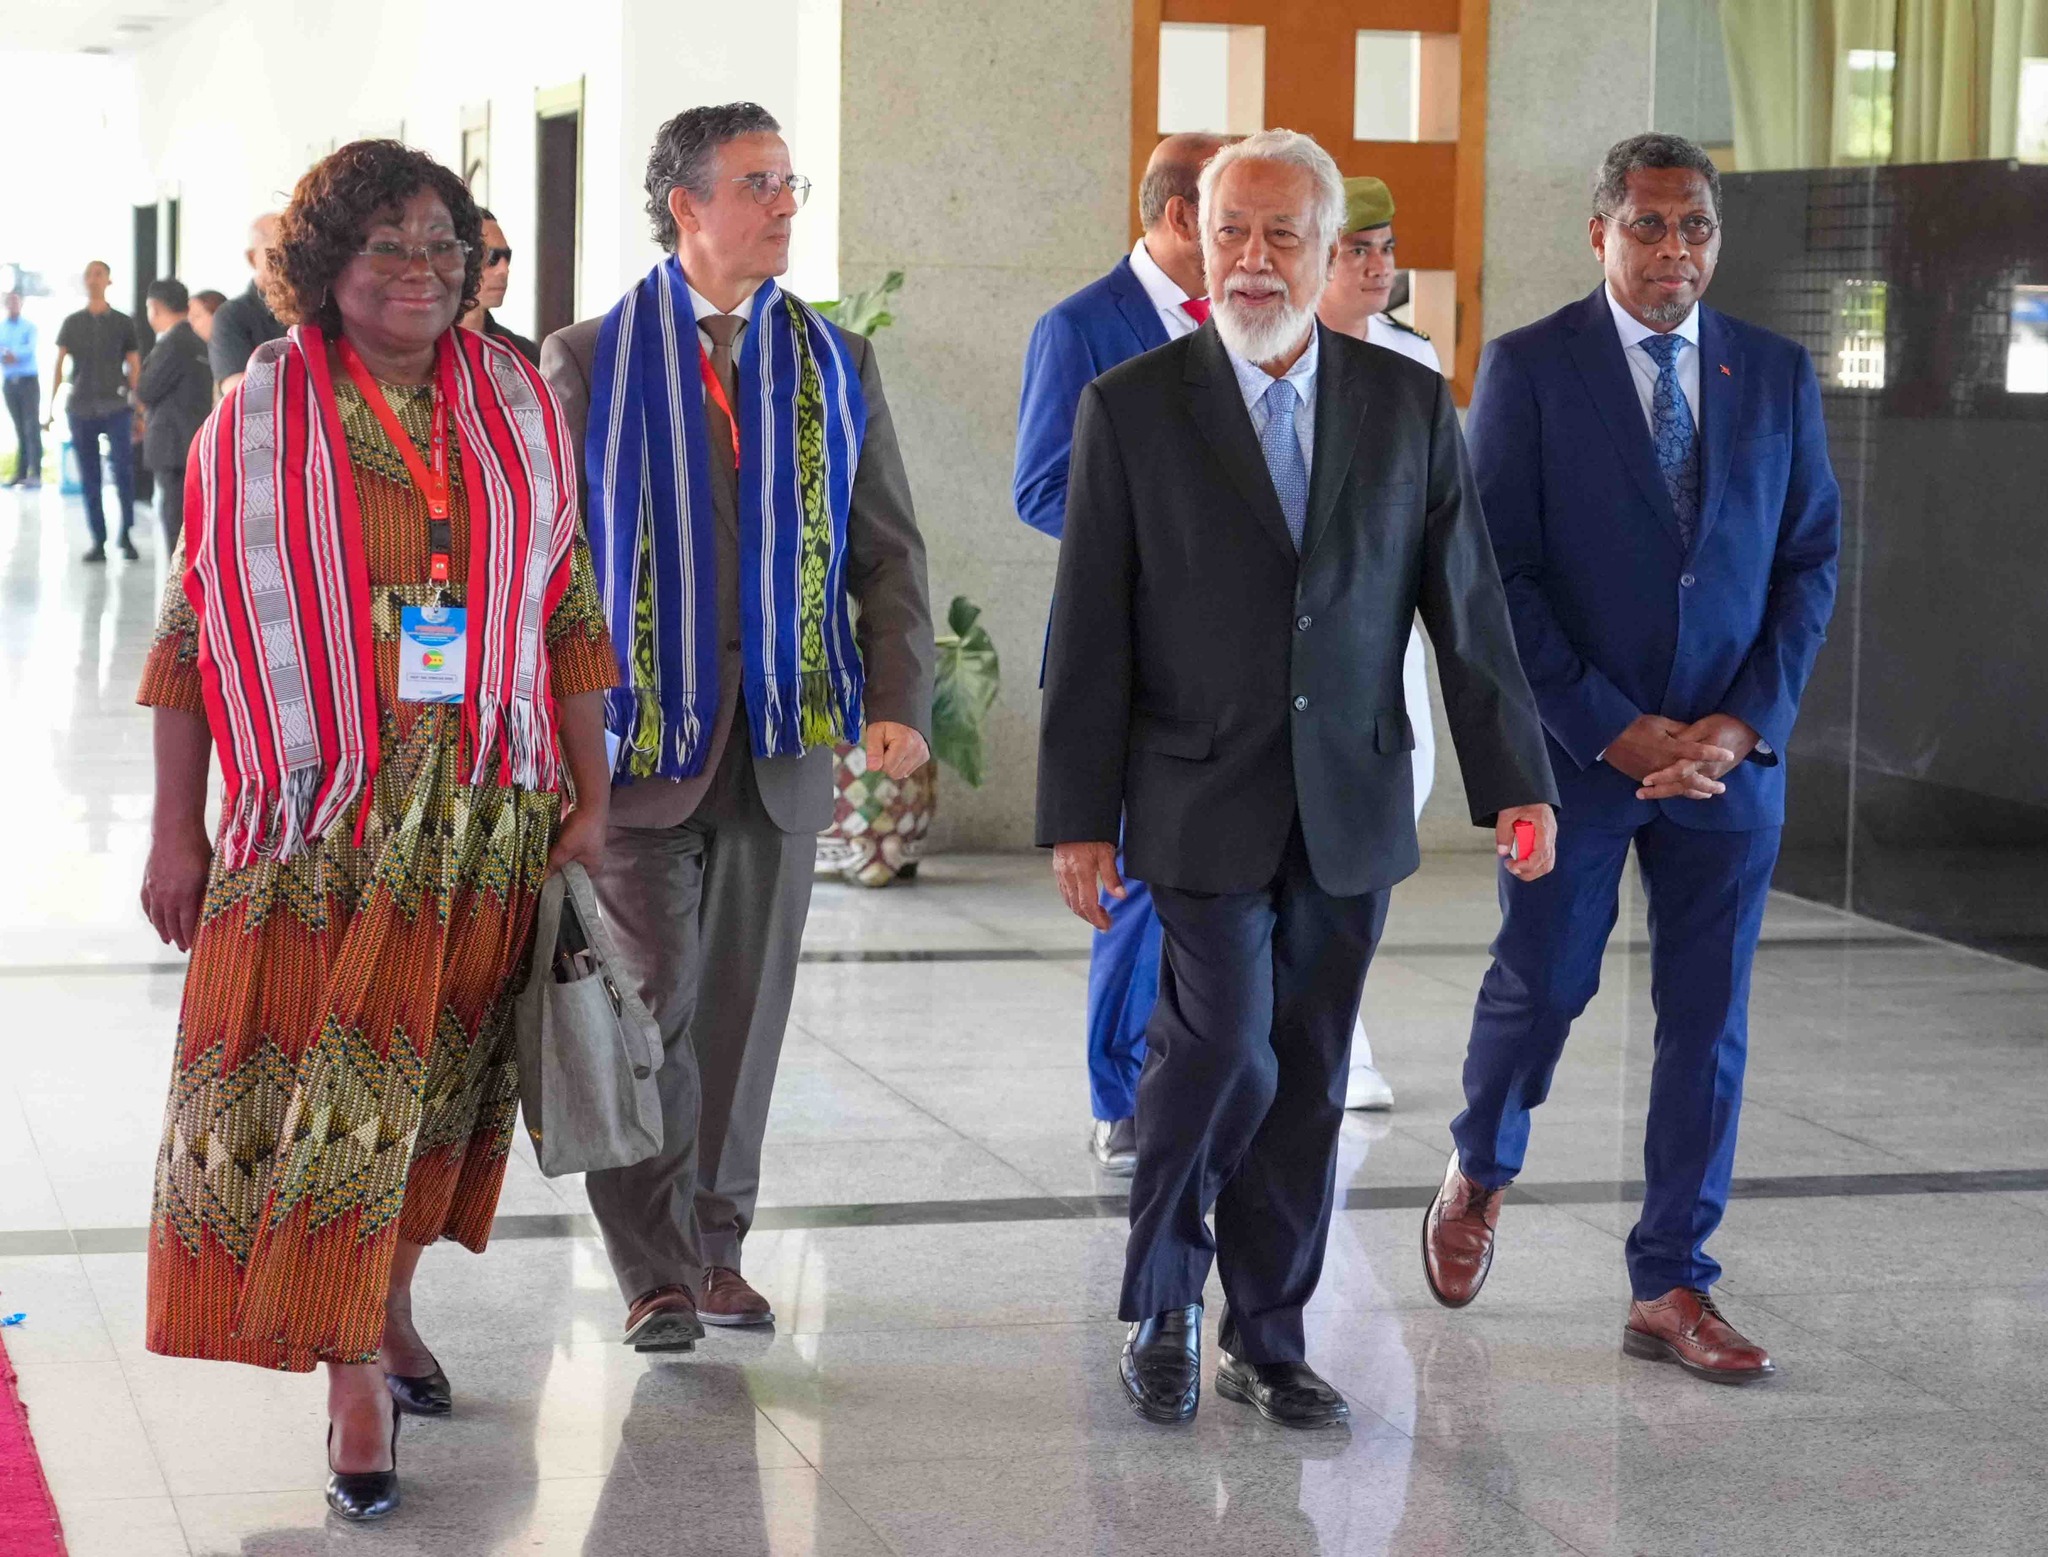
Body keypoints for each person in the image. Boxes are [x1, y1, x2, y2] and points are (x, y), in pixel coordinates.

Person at [1037, 128, 1558, 1429]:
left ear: (1332, 253)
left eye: (1282, 234)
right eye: (1231, 232)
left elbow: (1467, 607)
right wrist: (1076, 818)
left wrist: (1518, 782)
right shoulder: (1132, 407)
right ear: (1199, 243)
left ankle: (1268, 1339)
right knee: (1220, 1049)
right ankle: (1166, 1299)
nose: (1253, 259)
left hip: (1348, 798)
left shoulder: (1405, 405)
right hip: (1192, 793)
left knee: (1310, 1068)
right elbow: (1088, 628)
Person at [135, 139, 615, 1521]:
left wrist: (591, 794)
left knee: (438, 1096)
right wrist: (176, 832)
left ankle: (387, 1307)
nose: (423, 269)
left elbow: (564, 602)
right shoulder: (254, 422)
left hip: (483, 812)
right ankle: (350, 1374)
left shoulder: (516, 405)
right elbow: (192, 633)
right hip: (319, 823)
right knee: (327, 1096)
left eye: (445, 245)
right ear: (325, 263)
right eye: (389, 244)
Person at [1422, 133, 1841, 1384]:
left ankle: (1668, 1283)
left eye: (1694, 226)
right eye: (1649, 226)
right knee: (1544, 983)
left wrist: (1741, 724)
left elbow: (1806, 561)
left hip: (1725, 765)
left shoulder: (1773, 371)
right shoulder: (1530, 367)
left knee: (1705, 1026)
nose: (1674, 251)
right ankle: (1480, 1164)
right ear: (1599, 233)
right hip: (1578, 758)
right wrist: (1608, 726)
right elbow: (1497, 575)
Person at [542, 102, 933, 1349]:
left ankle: (717, 1248)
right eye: (757, 183)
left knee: (741, 1021)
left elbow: (886, 547)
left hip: (779, 738)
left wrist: (897, 699)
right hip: (634, 749)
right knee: (645, 1012)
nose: (782, 206)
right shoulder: (589, 357)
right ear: (686, 205)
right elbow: (556, 566)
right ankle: (651, 1269)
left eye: (787, 182)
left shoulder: (833, 360)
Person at [1013, 131, 1225, 1175]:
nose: (1252, 246)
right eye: (1231, 218)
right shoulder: (1081, 325)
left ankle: (1206, 1077)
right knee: (1132, 883)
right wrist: (1174, 547)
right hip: (1129, 654)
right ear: (1182, 215)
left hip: (1235, 660)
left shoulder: (1250, 317)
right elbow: (1042, 485)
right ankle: (1121, 1096)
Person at [1315, 174, 1442, 1113]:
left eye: (1386, 248)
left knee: (1388, 818)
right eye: (1357, 249)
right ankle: (1339, 1047)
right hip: (1307, 641)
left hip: (1392, 639)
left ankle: (1339, 1025)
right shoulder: (1273, 355)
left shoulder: (1414, 358)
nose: (1378, 266)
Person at [50, 260, 141, 561]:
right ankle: (98, 540)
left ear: (108, 281)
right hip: (81, 407)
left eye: (98, 274)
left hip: (117, 406)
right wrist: (51, 407)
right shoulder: (72, 322)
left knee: (123, 471)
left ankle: (126, 535)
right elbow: (59, 365)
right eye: (89, 274)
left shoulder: (123, 322)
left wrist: (139, 408)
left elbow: (134, 365)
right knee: (90, 477)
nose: (93, 279)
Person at [134, 279, 211, 550]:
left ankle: (179, 577)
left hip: (173, 446)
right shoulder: (196, 339)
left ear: (154, 307)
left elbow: (146, 389)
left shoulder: (173, 342)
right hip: (192, 441)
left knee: (175, 519)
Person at [209, 212, 288, 392]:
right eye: (278, 253)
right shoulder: (232, 316)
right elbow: (238, 392)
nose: (290, 261)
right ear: (252, 258)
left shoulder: (315, 309)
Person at [458, 209, 538, 364]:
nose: (504, 269)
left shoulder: (522, 354)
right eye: (491, 257)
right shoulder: (420, 350)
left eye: (507, 257)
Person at [1, 291, 39, 488]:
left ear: (21, 303)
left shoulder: (29, 327)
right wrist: (6, 355)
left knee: (31, 427)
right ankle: (21, 473)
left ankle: (36, 474)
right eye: (10, 302)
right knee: (19, 428)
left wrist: (13, 354)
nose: (13, 305)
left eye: (16, 301)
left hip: (28, 382)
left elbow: (28, 350)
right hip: (10, 383)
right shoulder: (2, 328)